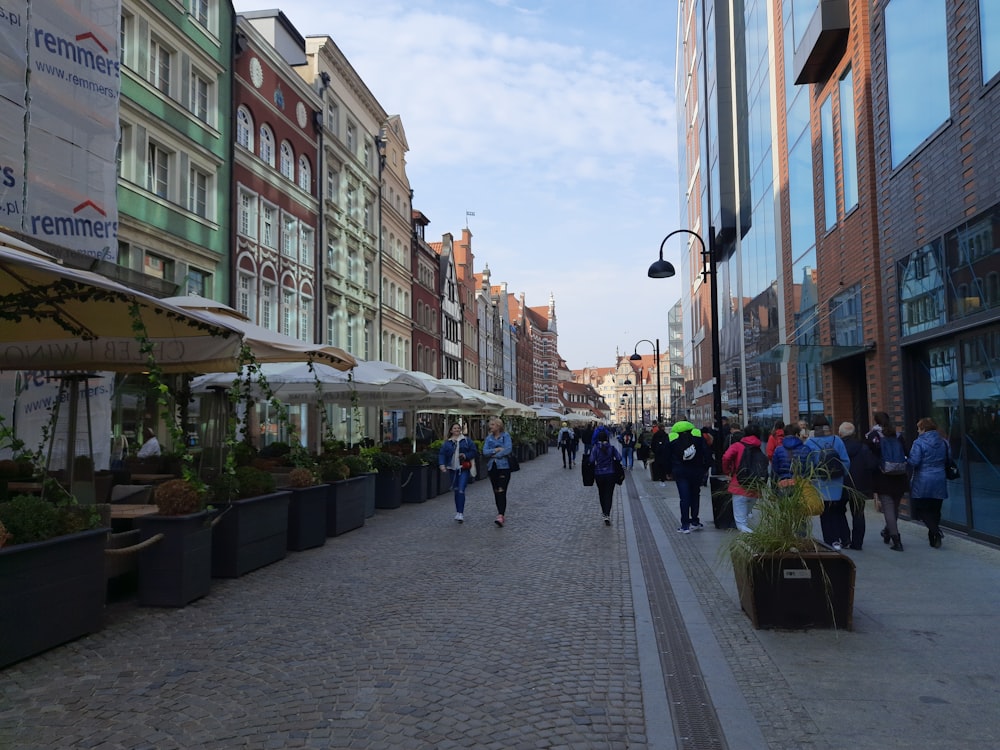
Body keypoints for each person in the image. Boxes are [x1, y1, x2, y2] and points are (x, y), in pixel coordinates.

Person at [805, 416, 851, 550]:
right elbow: (846, 461)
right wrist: (841, 475)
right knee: (836, 512)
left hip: (819, 483)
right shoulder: (837, 440)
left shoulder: (809, 442)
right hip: (836, 482)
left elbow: (808, 464)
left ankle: (829, 541)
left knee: (824, 514)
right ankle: (838, 540)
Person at [865, 411, 908, 551]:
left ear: (875, 421)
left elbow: (870, 456)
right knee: (894, 507)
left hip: (883, 476)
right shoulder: (898, 435)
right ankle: (889, 531)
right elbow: (907, 453)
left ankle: (896, 539)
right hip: (900, 475)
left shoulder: (873, 436)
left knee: (888, 508)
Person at [908, 416, 949, 549]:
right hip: (940, 476)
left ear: (923, 429)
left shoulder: (918, 443)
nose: (918, 432)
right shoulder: (943, 441)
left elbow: (914, 461)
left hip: (923, 478)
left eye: (919, 429)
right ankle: (933, 537)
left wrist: (906, 459)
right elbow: (949, 459)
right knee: (935, 508)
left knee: (920, 507)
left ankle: (935, 531)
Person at [839, 421, 877, 550]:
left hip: (842, 484)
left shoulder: (838, 447)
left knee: (839, 512)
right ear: (854, 433)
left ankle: (845, 539)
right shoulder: (863, 447)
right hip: (859, 485)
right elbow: (871, 464)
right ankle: (857, 543)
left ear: (840, 433)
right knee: (859, 514)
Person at [722, 423, 766, 533]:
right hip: (754, 488)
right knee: (745, 517)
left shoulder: (738, 446)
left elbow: (726, 457)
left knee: (741, 523)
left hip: (739, 486)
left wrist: (728, 471)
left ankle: (752, 540)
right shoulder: (759, 447)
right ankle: (746, 543)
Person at [669, 420, 710, 532]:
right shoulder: (698, 438)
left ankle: (685, 524)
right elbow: (707, 453)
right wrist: (705, 468)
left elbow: (667, 456)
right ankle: (695, 520)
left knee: (684, 498)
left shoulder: (673, 440)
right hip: (696, 471)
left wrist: (669, 471)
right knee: (695, 495)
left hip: (680, 471)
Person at [438, 423, 479, 523]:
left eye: (458, 428)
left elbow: (474, 452)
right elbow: (442, 454)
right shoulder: (447, 443)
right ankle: (458, 511)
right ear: (451, 431)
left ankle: (460, 513)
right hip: (452, 469)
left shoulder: (466, 441)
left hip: (463, 469)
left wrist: (465, 455)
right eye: (455, 428)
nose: (457, 429)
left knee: (461, 489)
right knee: (456, 490)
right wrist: (442, 464)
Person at [483, 416, 514, 527]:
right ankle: (500, 513)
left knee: (502, 490)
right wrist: (496, 450)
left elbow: (508, 449)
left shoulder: (505, 436)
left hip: (504, 467)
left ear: (498, 426)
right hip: (493, 467)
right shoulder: (488, 438)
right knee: (496, 491)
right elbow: (485, 452)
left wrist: (497, 455)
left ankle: (501, 514)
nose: (490, 427)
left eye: (492, 425)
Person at [589, 427, 623, 525]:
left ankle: (604, 512)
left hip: (599, 474)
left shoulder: (596, 448)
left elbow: (591, 460)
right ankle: (607, 514)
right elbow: (619, 457)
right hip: (610, 473)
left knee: (601, 493)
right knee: (609, 494)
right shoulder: (611, 448)